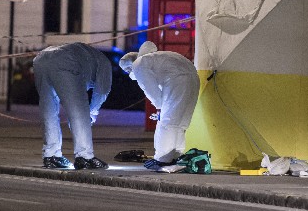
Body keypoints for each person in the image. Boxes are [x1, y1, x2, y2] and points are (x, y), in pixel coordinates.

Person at [119, 41, 200, 170]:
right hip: (193, 78)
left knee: (167, 123)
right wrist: (162, 108)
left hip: (178, 81)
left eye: (128, 70)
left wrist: (160, 108)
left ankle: (162, 160)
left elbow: (150, 90)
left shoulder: (139, 64)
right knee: (179, 123)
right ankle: (176, 155)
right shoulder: (156, 59)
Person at [33, 42, 111, 170]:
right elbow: (102, 91)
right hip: (67, 60)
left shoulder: (92, 57)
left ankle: (51, 155)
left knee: (48, 110)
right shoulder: (106, 64)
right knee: (79, 111)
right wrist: (92, 112)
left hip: (41, 59)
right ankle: (85, 157)